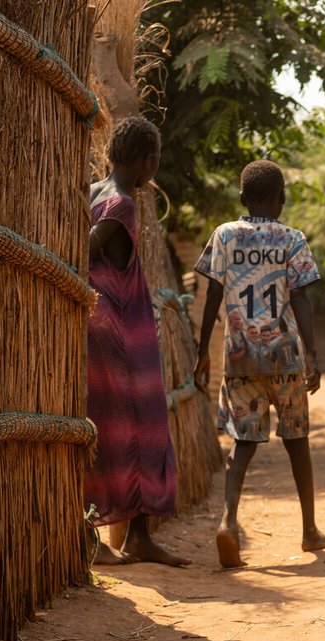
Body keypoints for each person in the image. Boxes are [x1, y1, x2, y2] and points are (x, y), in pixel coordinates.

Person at [194, 159, 325, 568]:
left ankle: (228, 521)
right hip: (286, 358)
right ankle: (310, 531)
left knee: (243, 444)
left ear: (242, 198)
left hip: (240, 358)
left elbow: (211, 297)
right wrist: (312, 355)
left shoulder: (224, 236)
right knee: (297, 443)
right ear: (281, 200)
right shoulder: (292, 239)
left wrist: (202, 351)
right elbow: (301, 299)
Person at [85, 117, 189, 567]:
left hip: (97, 317)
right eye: (155, 160)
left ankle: (131, 537)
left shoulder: (91, 191)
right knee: (145, 428)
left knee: (107, 425)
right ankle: (131, 536)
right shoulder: (123, 203)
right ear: (147, 160)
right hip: (120, 323)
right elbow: (89, 245)